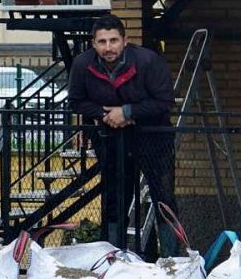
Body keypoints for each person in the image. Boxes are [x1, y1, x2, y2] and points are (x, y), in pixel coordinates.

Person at [66, 14, 176, 248]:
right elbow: (76, 101)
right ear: (93, 43)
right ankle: (113, 256)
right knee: (114, 198)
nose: (108, 47)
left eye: (113, 40)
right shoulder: (82, 64)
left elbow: (165, 101)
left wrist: (126, 112)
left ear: (125, 41)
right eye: (102, 42)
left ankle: (172, 258)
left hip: (154, 137)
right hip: (110, 138)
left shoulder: (148, 61)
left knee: (163, 197)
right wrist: (105, 114)